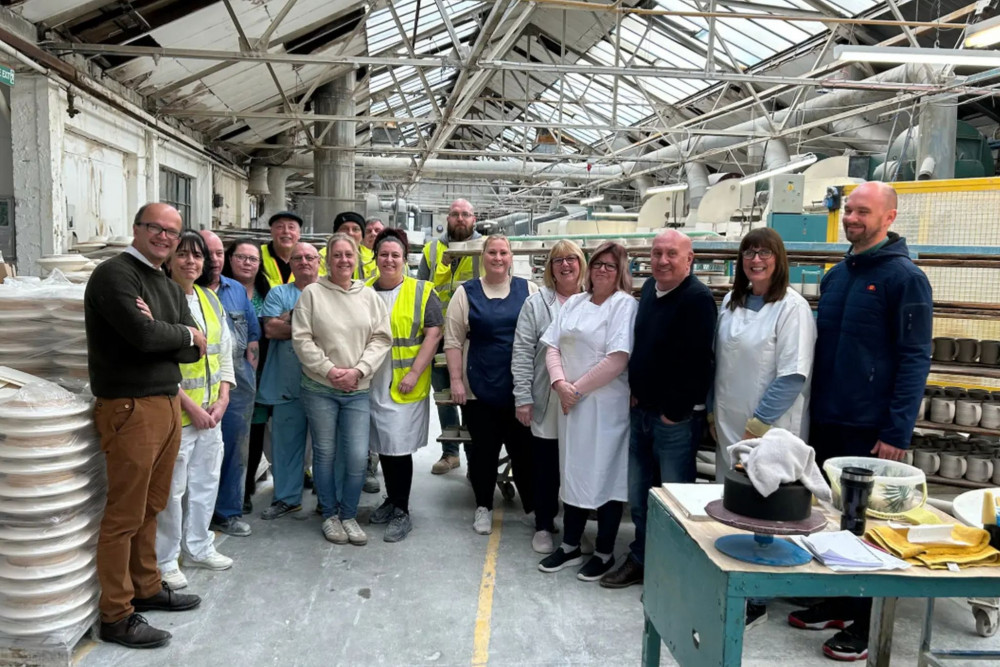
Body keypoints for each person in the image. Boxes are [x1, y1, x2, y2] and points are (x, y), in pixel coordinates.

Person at [788, 181, 932, 662]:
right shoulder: (837, 276)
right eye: (849, 210)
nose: (851, 218)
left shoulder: (905, 278)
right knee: (834, 517)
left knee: (871, 525)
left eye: (862, 212)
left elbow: (915, 358)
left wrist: (896, 432)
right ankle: (840, 599)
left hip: (872, 429)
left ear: (888, 218)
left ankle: (869, 621)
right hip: (829, 416)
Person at [85, 202, 203, 648]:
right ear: (136, 228)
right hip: (130, 406)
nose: (165, 237)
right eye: (156, 228)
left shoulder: (168, 284)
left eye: (172, 231)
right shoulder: (115, 275)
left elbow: (195, 349)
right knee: (124, 515)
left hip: (166, 403)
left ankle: (147, 586)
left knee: (152, 504)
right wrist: (179, 334)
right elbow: (142, 336)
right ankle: (116, 614)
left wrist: (175, 333)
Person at [710, 227, 816, 629]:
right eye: (749, 252)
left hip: (769, 429)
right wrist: (712, 413)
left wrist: (757, 425)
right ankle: (735, 577)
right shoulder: (731, 303)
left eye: (764, 253)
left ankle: (757, 594)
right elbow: (718, 361)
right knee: (735, 503)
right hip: (728, 420)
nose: (756, 259)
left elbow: (792, 375)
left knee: (767, 506)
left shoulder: (792, 308)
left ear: (779, 259)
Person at [601, 230, 716, 589]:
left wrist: (674, 412)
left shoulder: (697, 299)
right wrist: (637, 391)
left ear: (689, 259)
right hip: (642, 413)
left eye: (671, 254)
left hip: (674, 421)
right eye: (656, 253)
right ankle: (642, 557)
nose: (662, 261)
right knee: (639, 495)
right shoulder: (649, 289)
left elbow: (699, 364)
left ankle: (672, 568)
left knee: (675, 499)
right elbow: (644, 345)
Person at [537, 243, 638, 581]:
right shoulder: (576, 302)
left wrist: (576, 390)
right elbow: (552, 345)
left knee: (606, 476)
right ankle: (570, 545)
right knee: (574, 471)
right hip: (571, 405)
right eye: (597, 263)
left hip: (604, 408)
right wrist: (560, 385)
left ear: (620, 270)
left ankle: (605, 552)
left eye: (610, 265)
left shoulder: (623, 305)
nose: (602, 270)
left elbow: (618, 358)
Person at [292, 233, 391, 546]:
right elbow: (302, 338)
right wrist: (330, 370)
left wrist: (359, 371)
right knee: (325, 453)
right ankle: (330, 515)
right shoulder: (312, 294)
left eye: (349, 255)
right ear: (327, 259)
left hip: (357, 389)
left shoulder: (369, 296)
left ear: (357, 259)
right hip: (320, 387)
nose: (344, 260)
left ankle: (349, 514)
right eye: (337, 255)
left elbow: (381, 338)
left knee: (356, 455)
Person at [155, 230, 236, 589]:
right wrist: (193, 407)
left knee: (206, 482)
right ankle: (166, 560)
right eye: (183, 254)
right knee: (172, 491)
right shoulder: (161, 299)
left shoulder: (209, 299)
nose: (191, 262)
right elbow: (157, 364)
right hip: (179, 415)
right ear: (169, 259)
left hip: (212, 412)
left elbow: (224, 353)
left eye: (197, 256)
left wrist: (223, 399)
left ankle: (200, 546)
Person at [445, 235, 537, 535]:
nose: (498, 257)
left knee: (524, 451)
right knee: (483, 452)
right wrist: (456, 380)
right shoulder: (466, 293)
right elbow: (454, 340)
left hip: (519, 387)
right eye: (492, 252)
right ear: (483, 256)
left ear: (511, 257)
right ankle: (483, 506)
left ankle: (533, 509)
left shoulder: (529, 290)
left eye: (504, 252)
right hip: (478, 386)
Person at [366, 228, 443, 542]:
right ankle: (392, 498)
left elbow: (434, 332)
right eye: (383, 254)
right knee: (384, 445)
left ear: (405, 259)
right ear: (375, 258)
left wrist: (414, 372)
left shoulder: (422, 290)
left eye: (395, 255)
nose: (389, 260)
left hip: (404, 382)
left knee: (398, 448)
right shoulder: (364, 291)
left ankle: (402, 510)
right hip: (372, 380)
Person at [512, 240, 586, 554]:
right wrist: (523, 398)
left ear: (582, 264)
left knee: (578, 466)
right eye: (558, 260)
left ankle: (574, 528)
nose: (565, 265)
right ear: (550, 268)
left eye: (572, 259)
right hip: (546, 399)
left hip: (585, 400)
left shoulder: (594, 300)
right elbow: (522, 352)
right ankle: (543, 524)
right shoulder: (536, 303)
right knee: (545, 468)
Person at [199, 231, 259, 538]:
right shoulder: (184, 291)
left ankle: (227, 512)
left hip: (238, 385)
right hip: (198, 384)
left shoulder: (236, 290)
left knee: (235, 449)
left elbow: (252, 337)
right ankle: (195, 518)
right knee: (198, 454)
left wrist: (250, 376)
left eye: (220, 253)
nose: (215, 259)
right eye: (208, 253)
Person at [257, 243, 321, 520]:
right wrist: (309, 321)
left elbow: (334, 328)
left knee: (327, 445)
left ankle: (327, 499)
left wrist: (289, 318)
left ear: (320, 262)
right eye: (298, 258)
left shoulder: (329, 290)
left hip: (323, 383)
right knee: (286, 446)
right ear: (290, 264)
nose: (304, 262)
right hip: (287, 383)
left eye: (310, 257)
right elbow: (271, 329)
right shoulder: (278, 293)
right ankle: (287, 498)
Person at [418, 198, 482, 475]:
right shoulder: (432, 250)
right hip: (438, 334)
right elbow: (420, 290)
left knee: (471, 395)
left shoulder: (485, 247)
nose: (459, 218)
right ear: (447, 217)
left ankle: (475, 455)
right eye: (455, 214)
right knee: (443, 394)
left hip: (473, 336)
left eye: (465, 214)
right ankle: (450, 453)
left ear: (474, 219)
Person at [221, 239, 272, 513]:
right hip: (224, 374)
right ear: (230, 259)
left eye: (253, 259)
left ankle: (246, 487)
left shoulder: (266, 292)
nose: (247, 263)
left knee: (253, 430)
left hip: (259, 373)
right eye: (241, 257)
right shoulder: (218, 290)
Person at [260, 211, 303, 288]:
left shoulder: (307, 258)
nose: (286, 231)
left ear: (299, 234)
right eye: (280, 227)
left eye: (291, 227)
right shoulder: (257, 254)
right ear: (271, 232)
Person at [332, 211, 378, 281]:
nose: (350, 233)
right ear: (336, 233)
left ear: (362, 236)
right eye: (344, 229)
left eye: (355, 229)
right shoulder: (323, 256)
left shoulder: (373, 257)